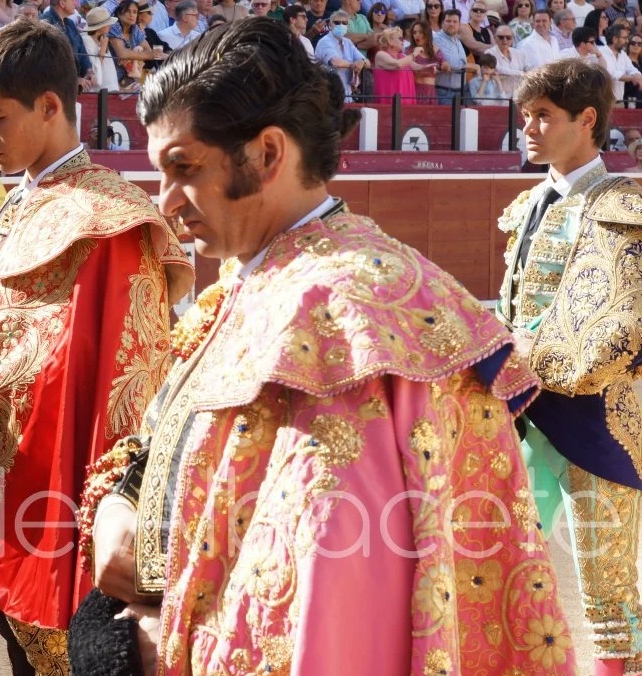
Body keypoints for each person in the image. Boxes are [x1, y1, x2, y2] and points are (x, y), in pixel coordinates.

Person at [75, 18, 578, 675]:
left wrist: (165, 631)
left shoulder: (351, 310)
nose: (165, 200)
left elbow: (326, 597)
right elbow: (159, 445)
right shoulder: (244, 284)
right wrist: (120, 516)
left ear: (268, 155)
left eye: (183, 168)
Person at [0, 19, 191, 676]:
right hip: (9, 483)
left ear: (51, 107)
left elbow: (123, 389)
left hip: (57, 489)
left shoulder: (110, 221)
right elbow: (5, 340)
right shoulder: (27, 202)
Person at [496, 57, 642, 676]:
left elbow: (628, 322)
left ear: (587, 120)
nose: (528, 128)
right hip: (524, 414)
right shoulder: (527, 204)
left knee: (605, 579)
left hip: (597, 416)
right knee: (500, 564)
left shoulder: (626, 203)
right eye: (524, 116)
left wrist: (536, 362)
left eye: (542, 117)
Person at [42, 0, 97, 90]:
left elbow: (81, 50)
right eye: (72, 0)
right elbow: (48, 61)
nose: (75, 3)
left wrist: (88, 70)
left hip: (72, 87)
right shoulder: (45, 23)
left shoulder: (70, 23)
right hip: (53, 87)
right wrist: (73, 80)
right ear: (62, 3)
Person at [315, 9, 368, 101]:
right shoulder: (325, 41)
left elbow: (367, 62)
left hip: (347, 95)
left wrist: (362, 61)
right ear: (330, 25)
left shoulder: (348, 42)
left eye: (344, 23)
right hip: (329, 96)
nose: (341, 25)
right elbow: (335, 62)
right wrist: (353, 65)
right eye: (337, 22)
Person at [109, 0, 156, 88]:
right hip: (115, 75)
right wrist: (140, 55)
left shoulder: (135, 28)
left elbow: (149, 51)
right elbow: (122, 53)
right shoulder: (114, 27)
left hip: (132, 76)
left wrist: (131, 55)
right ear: (119, 14)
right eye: (128, 11)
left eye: (135, 12)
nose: (132, 15)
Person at [373, 26, 423, 103]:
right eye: (400, 39)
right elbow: (398, 65)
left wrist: (431, 66)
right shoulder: (381, 55)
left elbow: (417, 67)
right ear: (390, 41)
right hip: (390, 102)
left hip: (406, 102)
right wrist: (414, 54)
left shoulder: (403, 56)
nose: (403, 42)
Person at [599, 22, 642, 102]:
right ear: (615, 39)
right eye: (624, 38)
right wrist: (633, 78)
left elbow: (632, 69)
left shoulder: (622, 54)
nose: (626, 41)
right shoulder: (601, 53)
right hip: (604, 102)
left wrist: (638, 76)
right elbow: (613, 74)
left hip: (620, 101)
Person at [81, 6, 121, 91]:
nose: (110, 25)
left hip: (111, 90)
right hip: (98, 93)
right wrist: (103, 48)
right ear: (100, 27)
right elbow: (93, 70)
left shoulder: (102, 38)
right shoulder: (86, 41)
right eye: (107, 23)